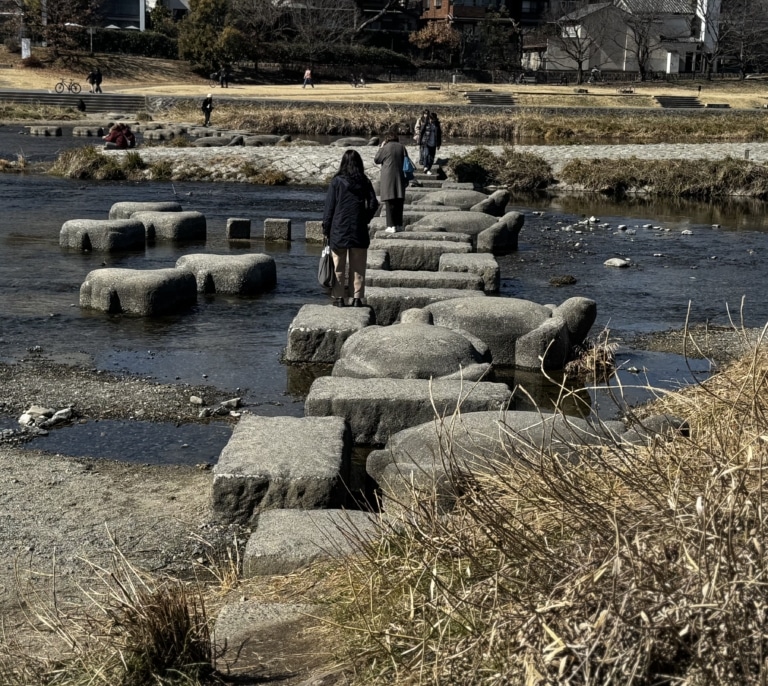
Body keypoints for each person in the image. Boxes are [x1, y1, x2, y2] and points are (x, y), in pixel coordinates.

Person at [322, 149, 378, 308]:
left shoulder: (337, 181)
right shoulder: (364, 181)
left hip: (339, 228)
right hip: (358, 229)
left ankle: (339, 298)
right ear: (359, 163)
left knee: (338, 266)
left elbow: (329, 208)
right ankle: (357, 299)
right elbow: (374, 204)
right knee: (358, 266)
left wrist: (326, 228)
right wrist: (365, 218)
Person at [374, 127, 408, 233]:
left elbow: (377, 160)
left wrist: (381, 147)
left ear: (387, 139)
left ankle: (390, 225)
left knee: (390, 202)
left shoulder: (386, 147)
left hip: (388, 177)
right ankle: (398, 225)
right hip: (400, 176)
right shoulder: (402, 147)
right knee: (399, 201)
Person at [418, 111, 442, 175]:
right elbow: (421, 132)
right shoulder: (426, 123)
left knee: (431, 158)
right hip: (426, 142)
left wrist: (439, 144)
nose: (431, 120)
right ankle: (425, 167)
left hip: (433, 143)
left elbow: (439, 135)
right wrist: (420, 141)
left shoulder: (437, 125)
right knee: (426, 155)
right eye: (431, 119)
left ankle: (428, 168)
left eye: (433, 119)